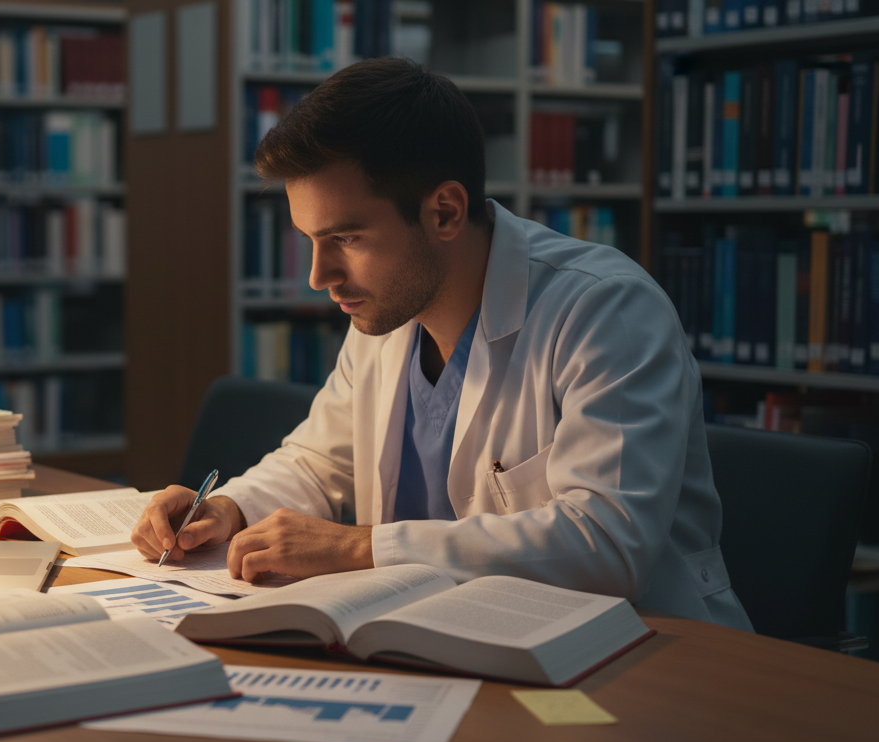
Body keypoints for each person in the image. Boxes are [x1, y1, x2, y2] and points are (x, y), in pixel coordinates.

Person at [130, 58, 752, 630]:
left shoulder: (606, 310)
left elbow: (608, 546)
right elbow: (321, 463)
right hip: (448, 634)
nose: (319, 277)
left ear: (446, 212)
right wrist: (233, 508)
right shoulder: (386, 311)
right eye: (309, 240)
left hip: (633, 652)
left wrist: (360, 547)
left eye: (346, 238)